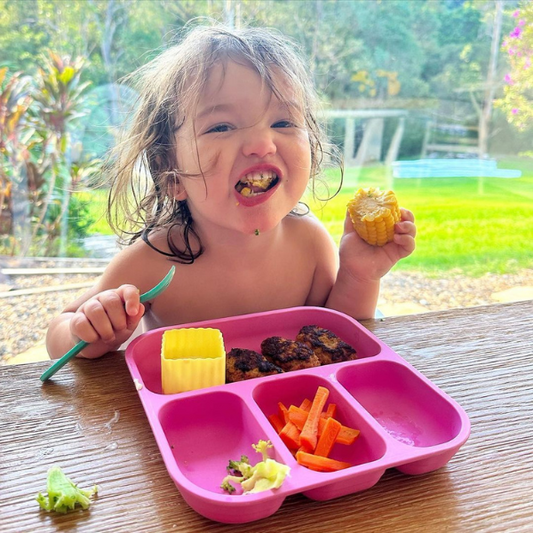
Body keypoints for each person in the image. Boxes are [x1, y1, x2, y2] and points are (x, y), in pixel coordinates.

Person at [46, 24, 416, 360]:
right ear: (170, 174)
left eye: (283, 121)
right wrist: (91, 330)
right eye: (221, 126)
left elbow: (336, 340)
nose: (261, 143)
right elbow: (60, 330)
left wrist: (359, 276)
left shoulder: (309, 243)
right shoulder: (152, 262)